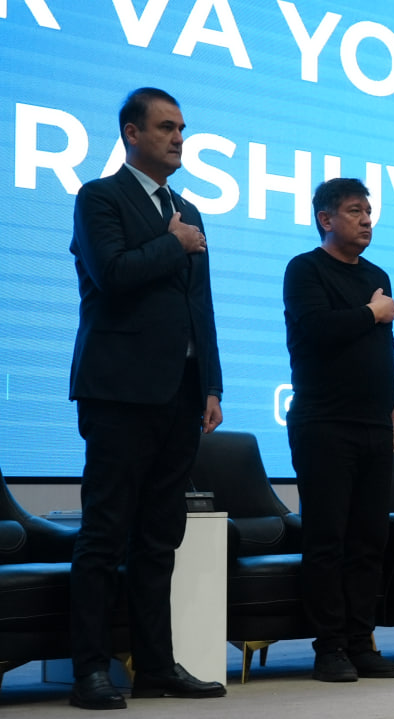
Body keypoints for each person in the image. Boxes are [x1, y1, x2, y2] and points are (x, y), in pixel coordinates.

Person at [67, 87, 227, 709]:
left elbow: (199, 305)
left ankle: (156, 666)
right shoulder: (99, 197)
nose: (178, 138)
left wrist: (211, 383)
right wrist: (173, 244)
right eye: (165, 127)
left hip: (180, 393)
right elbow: (111, 275)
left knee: (161, 537)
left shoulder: (187, 209)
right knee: (105, 534)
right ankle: (90, 671)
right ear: (131, 134)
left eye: (182, 128)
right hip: (119, 391)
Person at [283, 177, 394, 682]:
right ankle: (329, 647)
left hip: (374, 423)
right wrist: (371, 312)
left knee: (368, 541)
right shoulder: (305, 269)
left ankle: (361, 642)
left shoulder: (377, 275)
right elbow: (316, 330)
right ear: (326, 218)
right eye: (355, 211)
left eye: (369, 212)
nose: (367, 220)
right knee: (327, 539)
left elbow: (385, 351)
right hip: (323, 423)